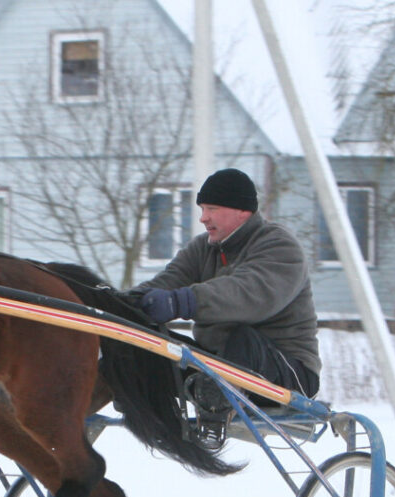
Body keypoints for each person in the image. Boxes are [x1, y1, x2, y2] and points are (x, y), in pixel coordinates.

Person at [129, 167, 321, 401]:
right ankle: (129, 397)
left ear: (242, 211)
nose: (203, 217)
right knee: (152, 343)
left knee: (242, 338)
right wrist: (123, 303)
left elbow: (248, 295)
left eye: (212, 209)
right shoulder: (202, 249)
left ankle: (215, 405)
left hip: (287, 370)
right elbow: (167, 282)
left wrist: (183, 301)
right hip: (218, 365)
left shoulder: (279, 245)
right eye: (202, 209)